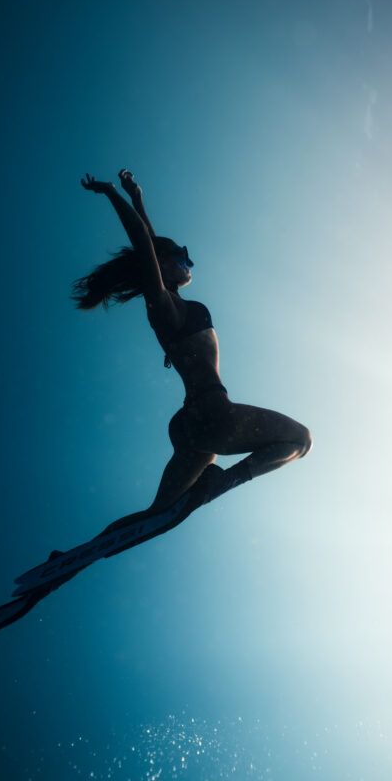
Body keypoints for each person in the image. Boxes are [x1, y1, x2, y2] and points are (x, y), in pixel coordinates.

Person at [76, 169, 312, 535]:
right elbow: (145, 244)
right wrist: (111, 193)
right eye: (184, 256)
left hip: (192, 426)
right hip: (214, 414)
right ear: (166, 265)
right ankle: (223, 483)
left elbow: (151, 244)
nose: (190, 262)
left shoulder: (171, 305)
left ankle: (81, 553)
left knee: (159, 513)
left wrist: (137, 196)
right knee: (300, 439)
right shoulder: (163, 304)